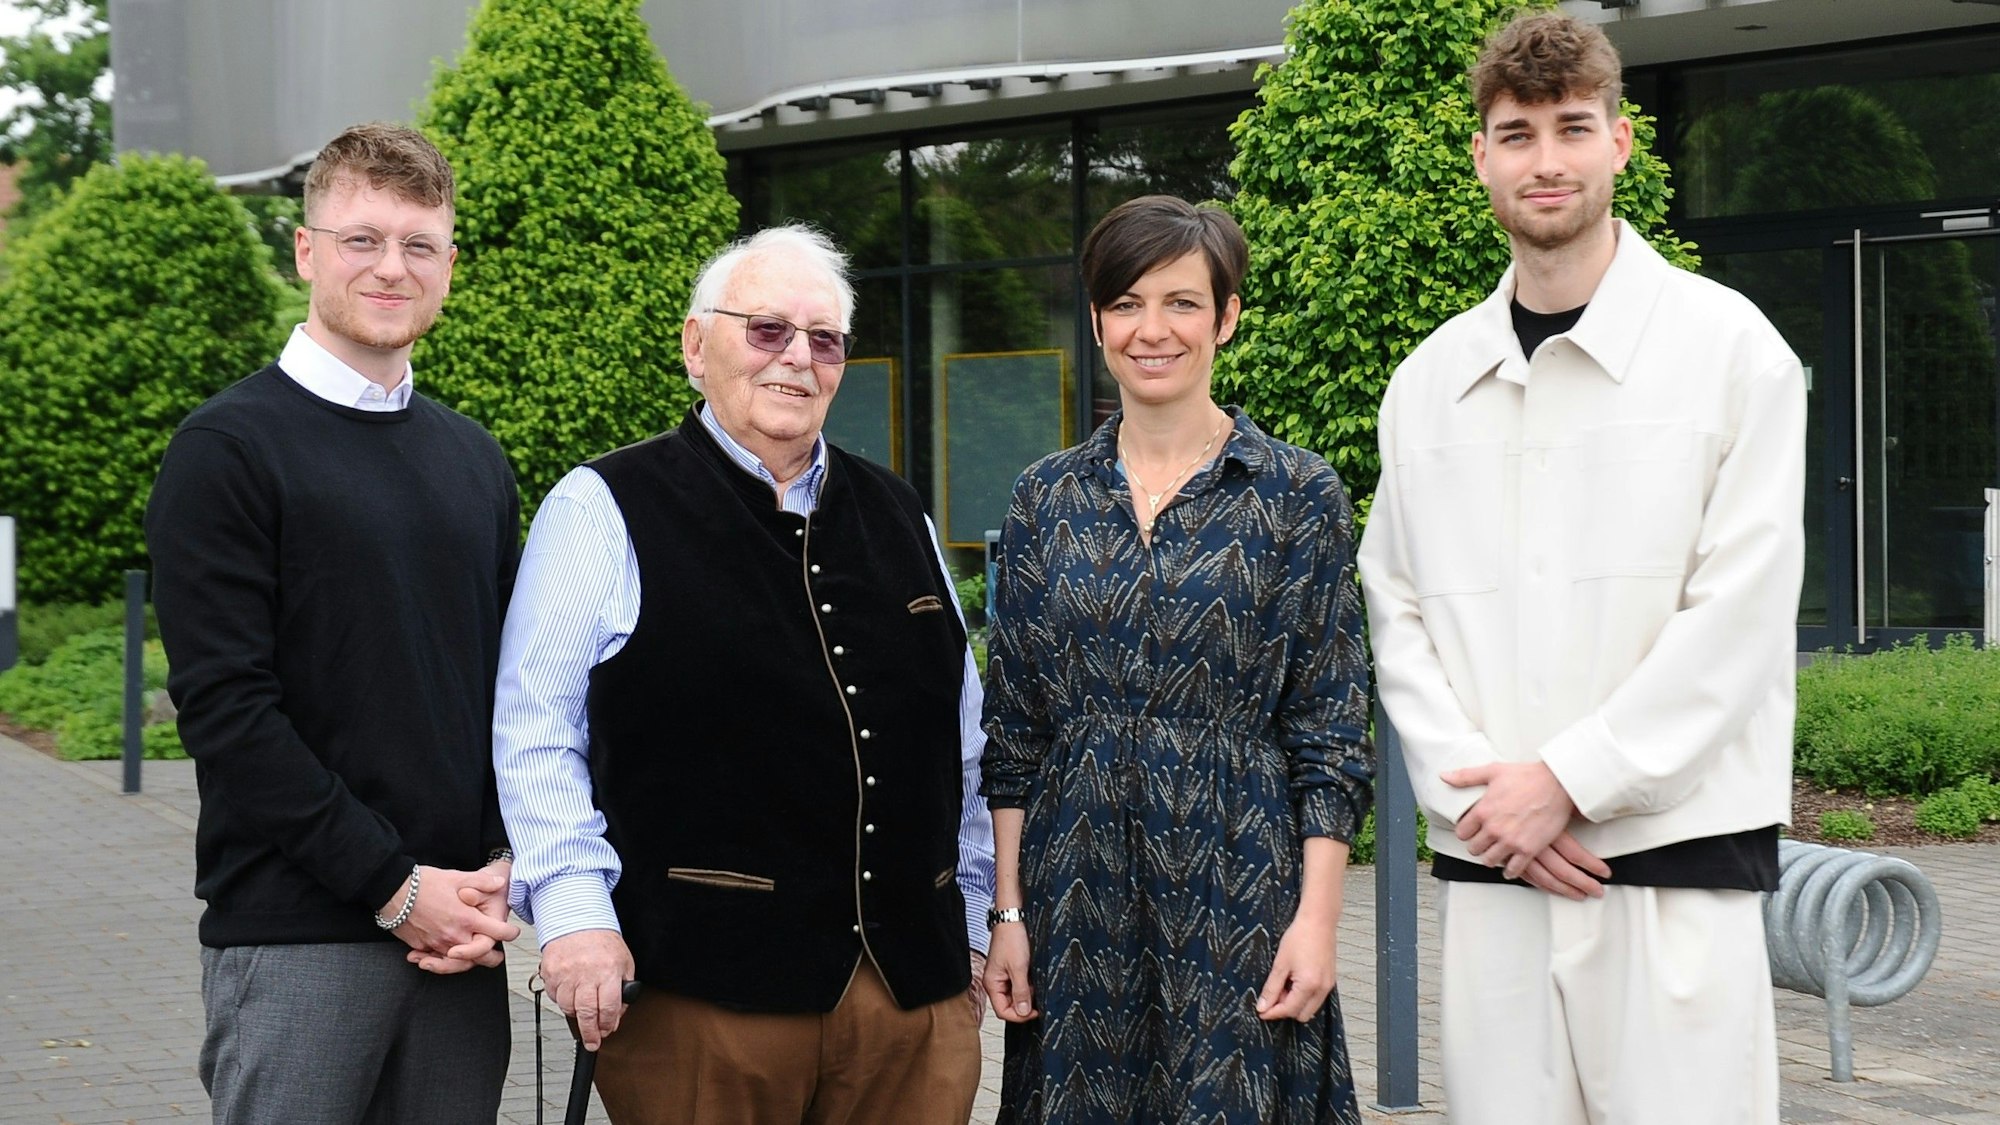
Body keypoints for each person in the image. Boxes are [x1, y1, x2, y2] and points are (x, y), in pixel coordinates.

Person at [1356, 11, 1804, 1125]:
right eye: (1514, 134)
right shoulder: (1426, 382)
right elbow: (1395, 606)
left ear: (1619, 141)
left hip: (1668, 864)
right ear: (1479, 156)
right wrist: (1484, 800)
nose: (1543, 160)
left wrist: (1567, 782)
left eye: (1569, 128)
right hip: (1497, 866)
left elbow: (1739, 612)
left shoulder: (1728, 348)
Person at [492, 223, 995, 1125]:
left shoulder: (899, 510)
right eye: (766, 330)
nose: (796, 359)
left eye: (824, 339)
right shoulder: (603, 505)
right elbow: (537, 732)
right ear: (696, 343)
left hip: (910, 997)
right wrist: (574, 916)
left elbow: (962, 737)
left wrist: (978, 912)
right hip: (702, 993)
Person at [146, 122, 521, 1123]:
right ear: (305, 250)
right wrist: (396, 889)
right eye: (361, 239)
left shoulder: (473, 460)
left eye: (419, 244)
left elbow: (507, 691)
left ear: (447, 262)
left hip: (458, 947)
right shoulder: (226, 449)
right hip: (298, 938)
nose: (391, 267)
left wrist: (497, 864)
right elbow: (229, 715)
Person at [980, 194, 1374, 1124]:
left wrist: (1315, 924)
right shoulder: (1046, 497)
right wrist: (1008, 916)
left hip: (1237, 883)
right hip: (1075, 887)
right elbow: (1015, 731)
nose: (1151, 329)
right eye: (1126, 303)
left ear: (1227, 317)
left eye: (1182, 302)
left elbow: (1327, 730)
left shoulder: (1297, 494)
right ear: (1097, 322)